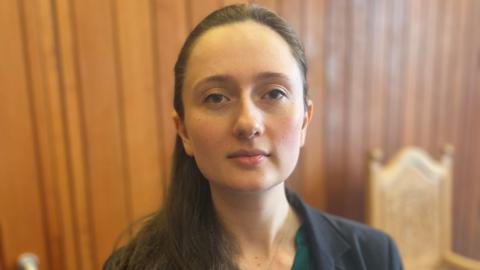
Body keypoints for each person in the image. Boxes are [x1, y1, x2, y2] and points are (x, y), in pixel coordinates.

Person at [104, 4, 403, 270]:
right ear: (183, 130)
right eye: (216, 98)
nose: (248, 123)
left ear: (304, 122)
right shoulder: (130, 265)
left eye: (274, 93)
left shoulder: (375, 256)